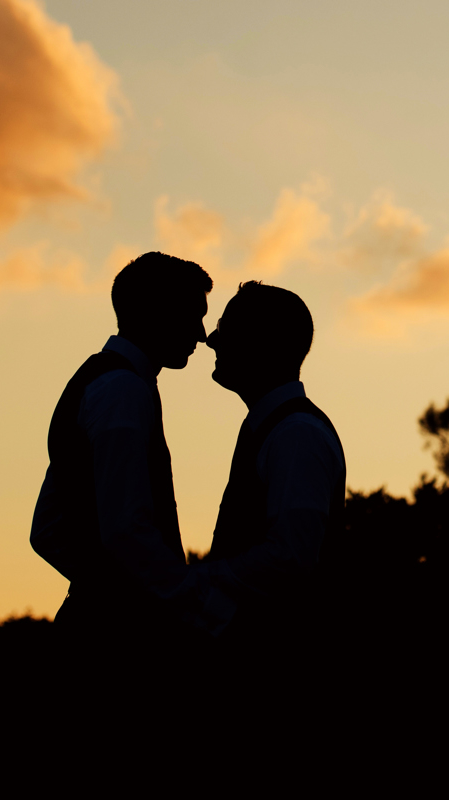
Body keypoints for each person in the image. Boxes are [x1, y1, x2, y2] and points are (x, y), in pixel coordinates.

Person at [29, 252, 233, 645]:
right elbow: (126, 531)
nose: (202, 334)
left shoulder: (99, 383)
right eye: (193, 315)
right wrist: (198, 608)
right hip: (120, 640)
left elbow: (48, 530)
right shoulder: (123, 393)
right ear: (155, 311)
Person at [201, 281, 346, 645]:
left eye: (225, 328)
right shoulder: (275, 430)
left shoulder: (296, 436)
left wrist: (197, 582)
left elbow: (290, 558)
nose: (211, 340)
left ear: (260, 342)